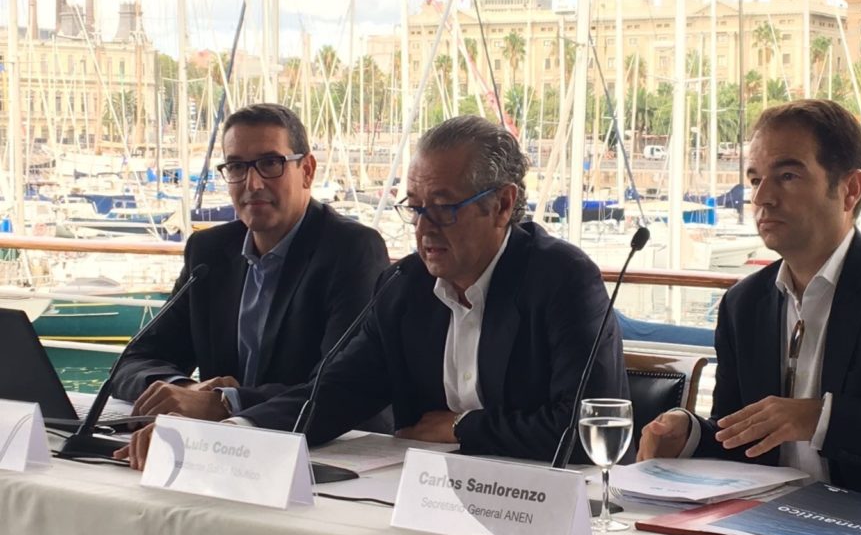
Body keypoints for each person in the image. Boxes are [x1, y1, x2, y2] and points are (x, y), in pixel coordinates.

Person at [120, 114, 627, 468]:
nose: (423, 227)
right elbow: (335, 392)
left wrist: (463, 428)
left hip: (548, 509)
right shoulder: (406, 287)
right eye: (415, 207)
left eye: (443, 207)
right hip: (431, 500)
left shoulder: (561, 279)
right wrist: (226, 436)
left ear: (501, 205)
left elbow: (586, 429)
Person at [638, 99, 861, 509]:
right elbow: (741, 437)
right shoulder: (744, 304)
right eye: (755, 179)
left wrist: (821, 419)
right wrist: (689, 433)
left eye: (787, 176)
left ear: (850, 189)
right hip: (770, 524)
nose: (762, 197)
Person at [109, 102, 389, 424]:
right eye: (237, 167)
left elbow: (340, 387)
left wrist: (226, 403)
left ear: (307, 171)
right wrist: (186, 389)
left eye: (270, 163)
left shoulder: (351, 250)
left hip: (321, 444)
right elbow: (133, 361)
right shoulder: (209, 252)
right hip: (220, 444)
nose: (252, 184)